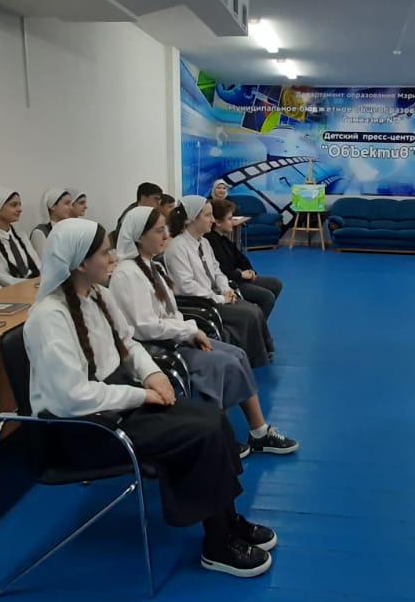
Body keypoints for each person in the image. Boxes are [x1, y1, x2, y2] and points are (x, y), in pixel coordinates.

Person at [23, 219, 277, 577]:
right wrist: (141, 394)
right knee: (200, 433)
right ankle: (217, 544)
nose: (113, 257)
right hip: (84, 429)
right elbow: (72, 398)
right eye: (104, 253)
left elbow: (128, 344)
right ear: (80, 263)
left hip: (115, 405)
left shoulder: (97, 295)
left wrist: (152, 374)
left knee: (214, 420)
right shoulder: (49, 318)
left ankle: (228, 518)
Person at [108, 207, 298, 456]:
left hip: (174, 337)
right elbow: (146, 327)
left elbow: (171, 313)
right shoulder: (127, 274)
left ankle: (259, 432)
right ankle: (218, 436)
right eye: (158, 231)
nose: (165, 236)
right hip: (156, 347)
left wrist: (187, 331)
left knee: (238, 354)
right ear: (138, 237)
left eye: (165, 229)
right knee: (222, 363)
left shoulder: (152, 266)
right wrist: (189, 331)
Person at [164, 196, 273, 368]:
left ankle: (260, 355)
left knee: (255, 311)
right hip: (201, 302)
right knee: (250, 314)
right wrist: (219, 298)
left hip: (215, 295)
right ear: (192, 219)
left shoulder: (204, 242)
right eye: (208, 215)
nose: (213, 220)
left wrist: (224, 288)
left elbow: (216, 270)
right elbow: (186, 286)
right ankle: (254, 361)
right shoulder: (178, 248)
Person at [205, 198, 283, 319]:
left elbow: (240, 258)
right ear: (218, 222)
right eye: (230, 219)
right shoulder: (210, 242)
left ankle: (257, 322)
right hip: (230, 283)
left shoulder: (224, 239)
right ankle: (256, 325)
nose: (233, 222)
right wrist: (240, 274)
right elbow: (222, 270)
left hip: (239, 277)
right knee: (267, 297)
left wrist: (250, 271)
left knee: (275, 284)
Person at [0, 188, 39, 285]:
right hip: (12, 289)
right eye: (13, 205)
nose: (19, 209)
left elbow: (37, 265)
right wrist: (30, 284)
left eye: (19, 204)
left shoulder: (21, 235)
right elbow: (1, 277)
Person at [30, 188, 74, 259]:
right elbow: (44, 262)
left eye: (71, 204)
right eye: (66, 203)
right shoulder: (40, 233)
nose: (71, 208)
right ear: (52, 206)